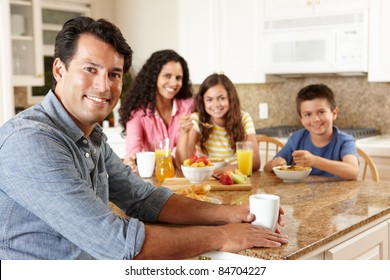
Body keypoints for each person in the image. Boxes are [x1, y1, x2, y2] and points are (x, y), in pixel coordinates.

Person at [0, 16, 288, 260]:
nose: (104, 86)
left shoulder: (91, 135)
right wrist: (222, 236)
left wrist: (227, 214)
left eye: (114, 74)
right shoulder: (30, 141)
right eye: (90, 69)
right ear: (60, 70)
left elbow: (144, 198)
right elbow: (117, 241)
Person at [263, 84, 359, 180]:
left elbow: (353, 172)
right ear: (301, 119)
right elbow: (266, 169)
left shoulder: (344, 141)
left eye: (321, 112)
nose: (315, 119)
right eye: (308, 114)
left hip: (339, 194)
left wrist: (314, 161)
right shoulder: (296, 139)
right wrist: (274, 164)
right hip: (302, 193)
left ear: (334, 113)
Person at [118, 49, 194, 171]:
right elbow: (133, 150)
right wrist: (132, 161)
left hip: (182, 176)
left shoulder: (188, 107)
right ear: (154, 77)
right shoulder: (138, 112)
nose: (174, 83)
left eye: (178, 77)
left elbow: (187, 156)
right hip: (153, 180)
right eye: (167, 76)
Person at [176, 73, 260, 175]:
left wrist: (227, 170)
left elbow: (255, 162)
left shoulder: (244, 119)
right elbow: (183, 162)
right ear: (203, 102)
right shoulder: (198, 120)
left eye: (221, 98)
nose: (216, 104)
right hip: (208, 179)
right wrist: (184, 132)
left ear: (230, 98)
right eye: (209, 99)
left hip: (236, 178)